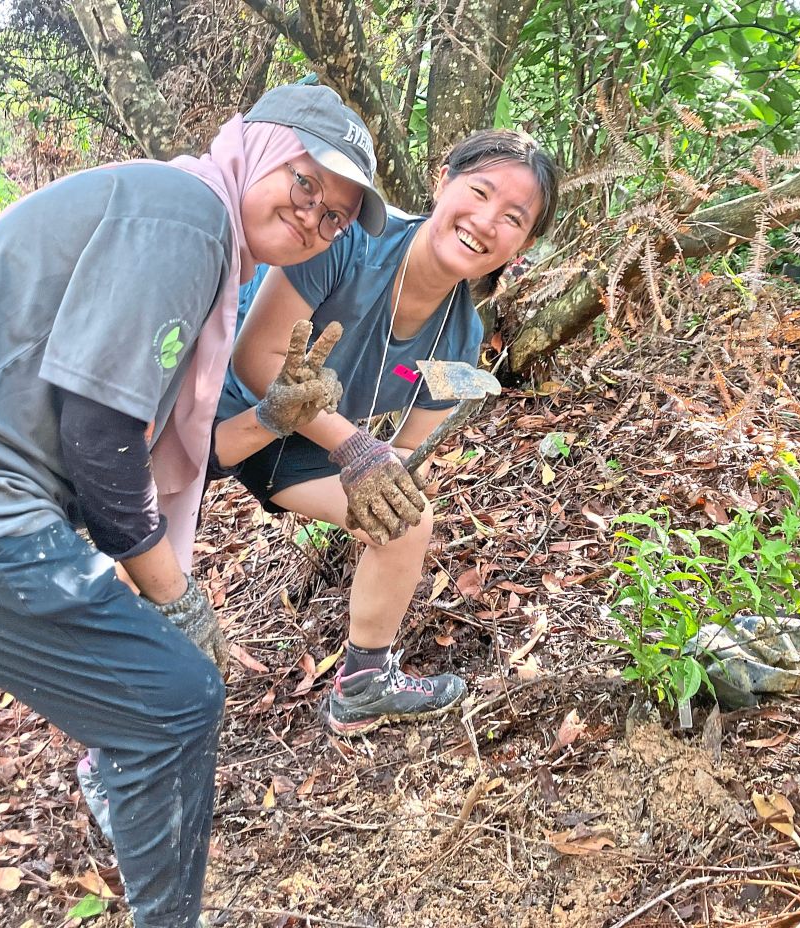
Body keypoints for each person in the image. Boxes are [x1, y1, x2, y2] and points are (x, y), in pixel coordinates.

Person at [0, 82, 385, 928]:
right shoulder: (186, 214)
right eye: (306, 183)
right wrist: (175, 595)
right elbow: (101, 435)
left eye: (337, 216)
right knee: (172, 700)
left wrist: (274, 420)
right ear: (260, 149)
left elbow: (150, 446)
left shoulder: (187, 221)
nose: (314, 217)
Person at [216, 129, 559, 736]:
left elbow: (408, 451)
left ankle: (364, 682)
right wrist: (352, 445)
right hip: (223, 404)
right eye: (478, 191)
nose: (485, 221)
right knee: (140, 547)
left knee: (408, 514)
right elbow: (255, 358)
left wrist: (385, 481)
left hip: (300, 447)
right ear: (442, 179)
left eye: (512, 218)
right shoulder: (351, 243)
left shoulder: (461, 342)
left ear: (522, 245)